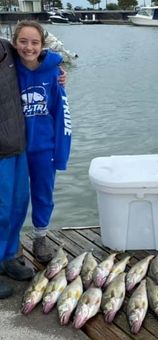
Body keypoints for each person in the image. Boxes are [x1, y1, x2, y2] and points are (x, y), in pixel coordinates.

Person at [12, 20, 72, 264]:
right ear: (14, 43)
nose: (29, 47)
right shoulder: (7, 68)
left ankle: (40, 237)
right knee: (13, 197)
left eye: (35, 42)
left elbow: (62, 113)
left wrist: (61, 152)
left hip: (43, 148)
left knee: (43, 194)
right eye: (23, 41)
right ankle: (11, 242)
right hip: (14, 148)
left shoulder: (53, 72)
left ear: (42, 45)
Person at [0, 37, 34, 299]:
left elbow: (38, 58)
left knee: (18, 204)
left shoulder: (7, 48)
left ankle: (9, 256)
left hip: (17, 143)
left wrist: (58, 73)